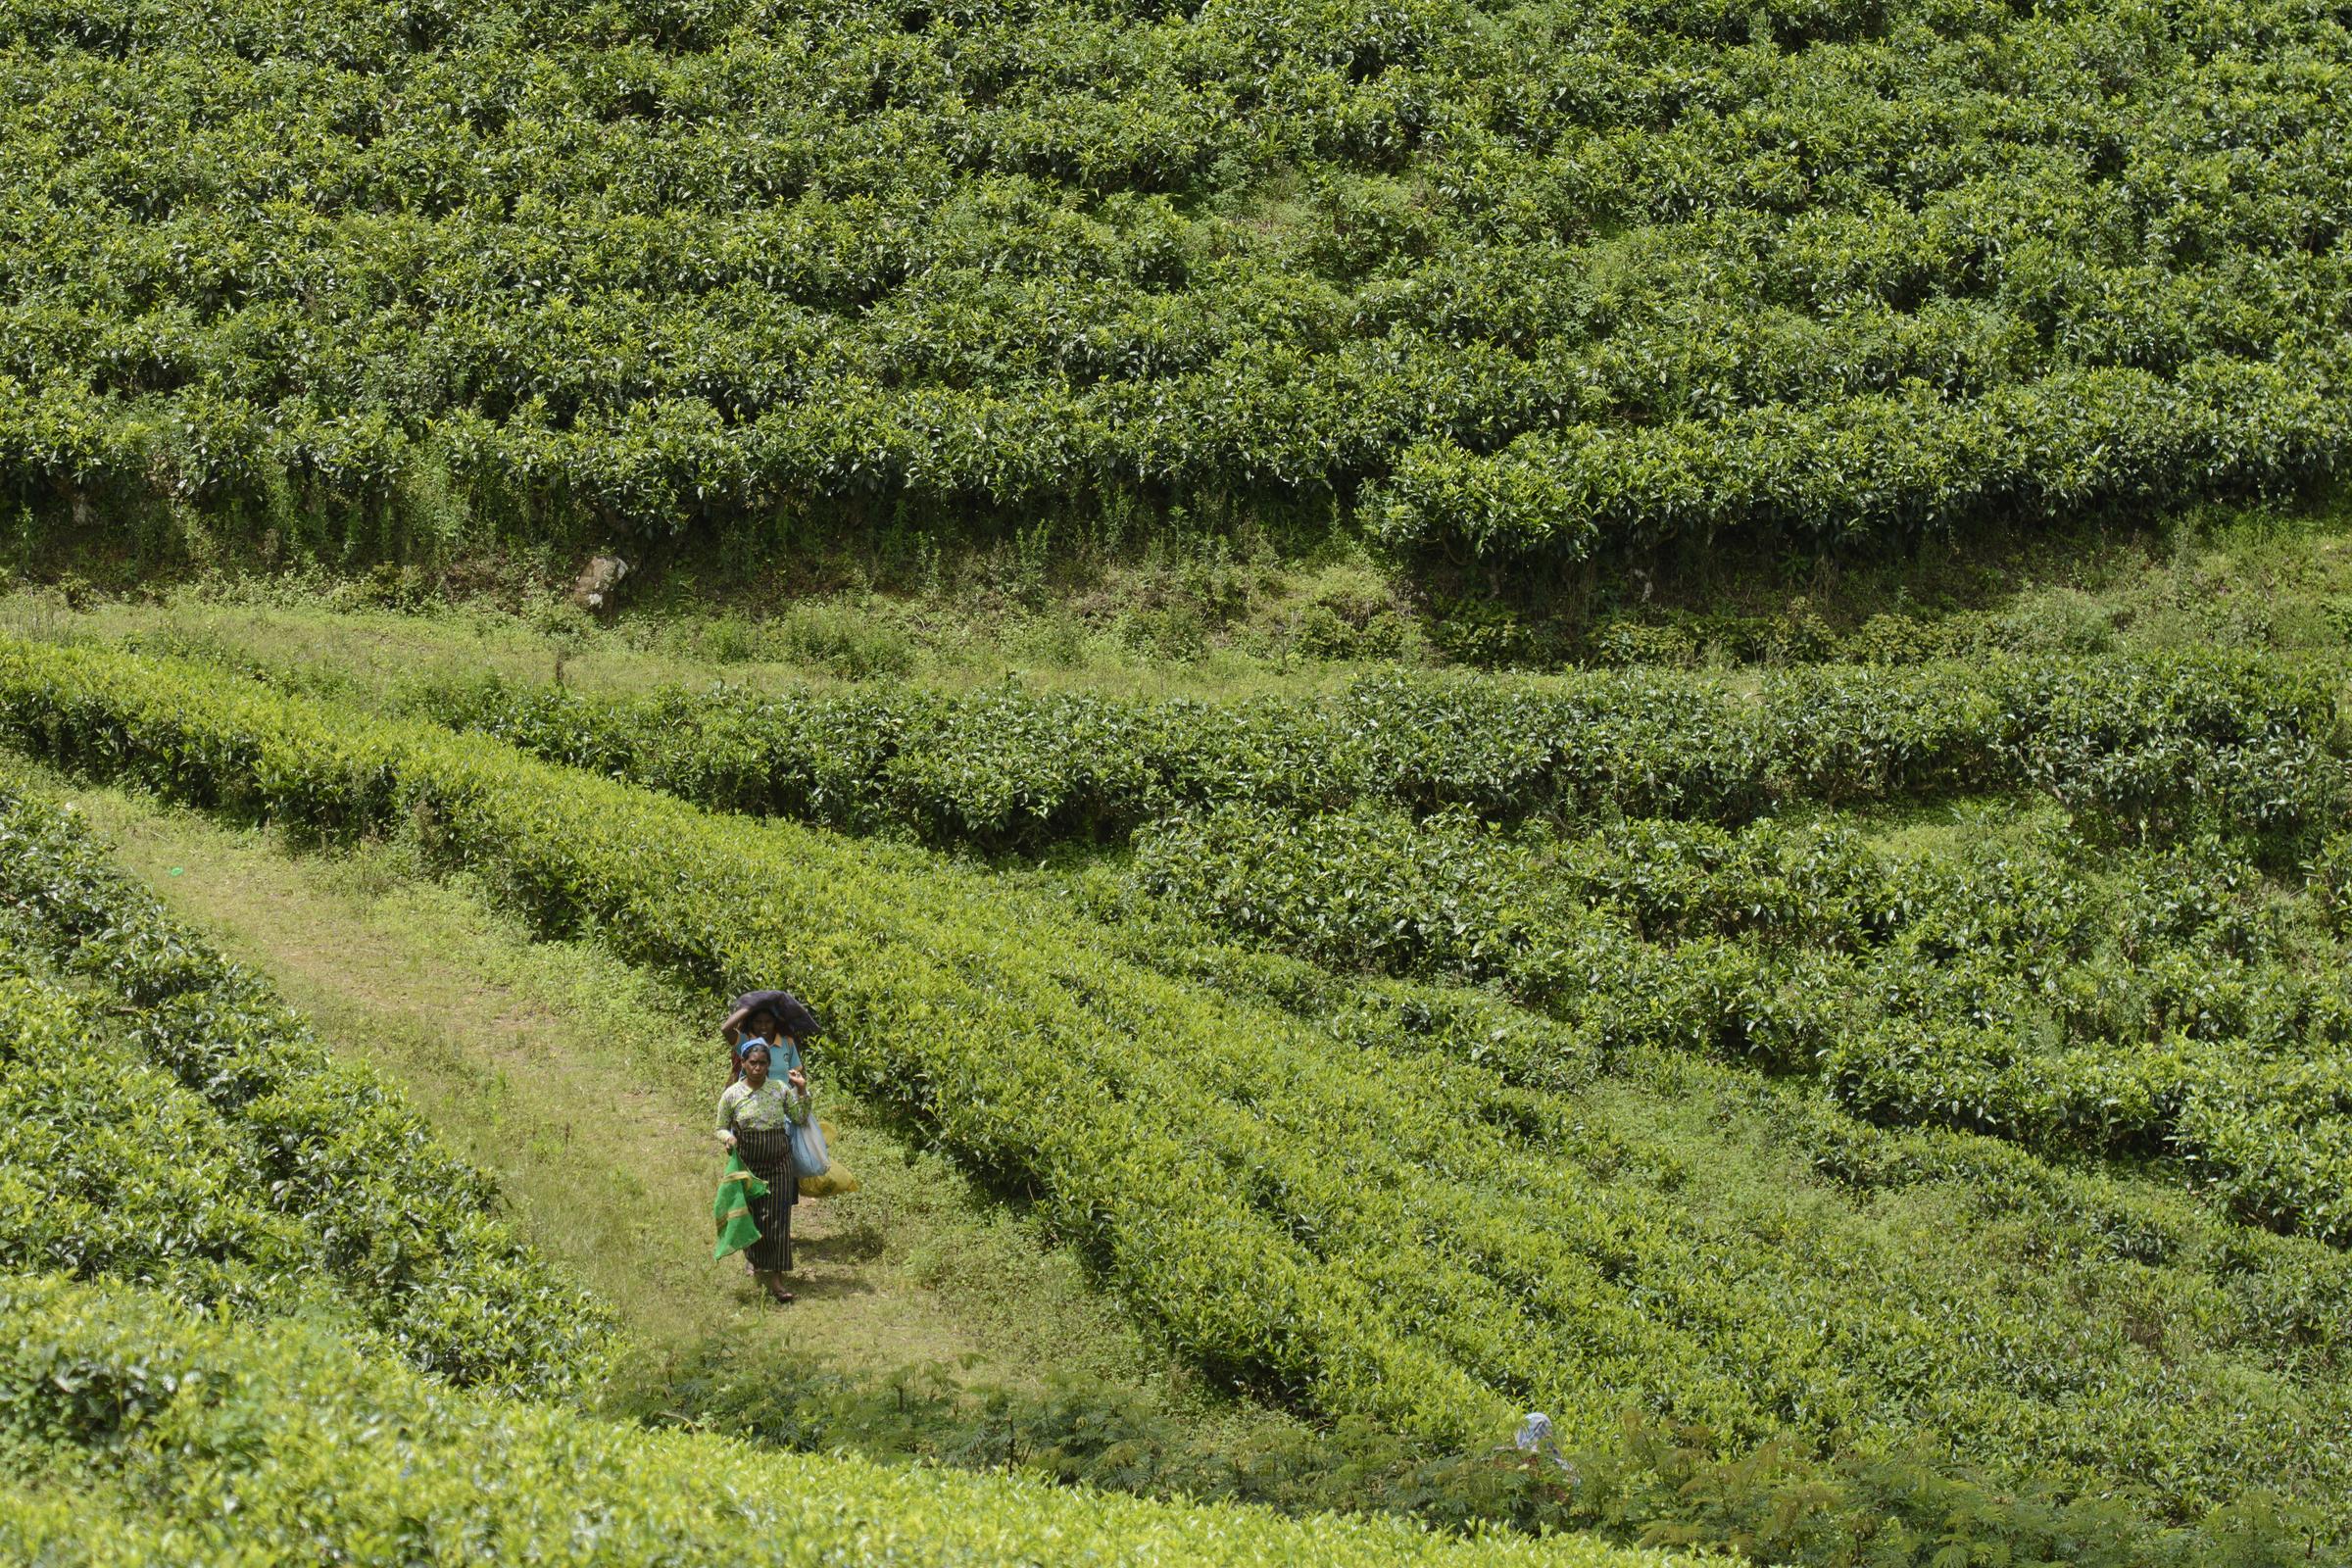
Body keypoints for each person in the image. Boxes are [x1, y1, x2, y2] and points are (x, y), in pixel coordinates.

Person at [716, 1041, 804, 1303]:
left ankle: (777, 1280)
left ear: (769, 1065)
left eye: (763, 1063)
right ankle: (753, 1259)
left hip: (779, 1162)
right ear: (743, 1063)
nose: (757, 1067)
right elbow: (719, 1126)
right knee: (753, 1215)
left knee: (778, 1219)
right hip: (748, 1164)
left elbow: (799, 1117)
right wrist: (728, 1139)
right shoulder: (732, 1094)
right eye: (752, 1062)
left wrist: (802, 1090)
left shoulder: (780, 1089)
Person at [721, 990, 818, 1085]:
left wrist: (800, 1092)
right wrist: (750, 1007)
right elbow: (725, 1029)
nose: (763, 1027)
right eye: (758, 1022)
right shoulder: (746, 1041)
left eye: (768, 1022)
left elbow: (797, 1073)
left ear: (775, 1022)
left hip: (782, 1098)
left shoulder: (786, 1042)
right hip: (753, 1099)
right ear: (751, 1023)